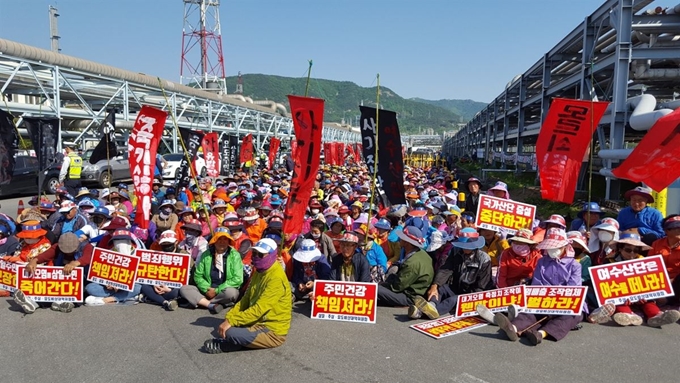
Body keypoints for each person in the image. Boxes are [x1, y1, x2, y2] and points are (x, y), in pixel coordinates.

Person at [494, 228, 583, 345]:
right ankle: (513, 328)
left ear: (565, 247)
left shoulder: (574, 265)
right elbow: (537, 283)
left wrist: (556, 298)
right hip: (543, 298)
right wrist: (544, 296)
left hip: (564, 302)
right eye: (550, 247)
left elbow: (573, 289)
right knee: (529, 312)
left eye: (556, 247)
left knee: (571, 316)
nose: (553, 250)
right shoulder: (542, 261)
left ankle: (541, 333)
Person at [202, 238, 291, 354]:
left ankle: (233, 344)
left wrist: (232, 321)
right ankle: (239, 339)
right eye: (254, 253)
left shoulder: (276, 278)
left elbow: (259, 309)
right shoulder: (260, 271)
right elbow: (246, 299)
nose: (256, 257)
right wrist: (231, 317)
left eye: (260, 254)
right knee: (228, 323)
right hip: (256, 321)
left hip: (272, 330)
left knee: (230, 332)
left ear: (271, 255)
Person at [590, 233, 680, 327]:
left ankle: (656, 316)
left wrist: (644, 294)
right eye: (628, 250)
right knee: (618, 301)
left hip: (640, 293)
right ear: (620, 249)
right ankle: (628, 315)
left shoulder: (645, 262)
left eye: (636, 250)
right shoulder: (608, 261)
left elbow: (649, 281)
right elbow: (606, 285)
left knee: (648, 301)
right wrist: (623, 295)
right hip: (621, 293)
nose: (632, 254)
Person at [413, 228, 491, 320]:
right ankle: (431, 304)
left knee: (452, 300)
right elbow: (446, 269)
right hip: (456, 287)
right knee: (440, 289)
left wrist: (471, 301)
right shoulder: (455, 251)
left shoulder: (484, 259)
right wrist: (435, 285)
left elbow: (481, 286)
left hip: (471, 293)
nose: (464, 248)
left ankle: (424, 313)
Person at [179, 227, 243, 314]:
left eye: (225, 239)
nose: (222, 242)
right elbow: (198, 276)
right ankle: (212, 305)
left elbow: (238, 279)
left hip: (223, 291)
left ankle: (203, 303)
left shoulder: (235, 255)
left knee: (232, 293)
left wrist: (216, 290)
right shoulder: (206, 254)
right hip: (207, 290)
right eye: (219, 239)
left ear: (228, 241)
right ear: (214, 240)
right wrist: (207, 290)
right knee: (185, 289)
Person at [378, 226, 434, 309]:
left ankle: (406, 305)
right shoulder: (421, 254)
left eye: (402, 238)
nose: (400, 239)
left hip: (411, 297)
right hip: (415, 290)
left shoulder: (412, 263)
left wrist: (384, 285)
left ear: (407, 242)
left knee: (375, 290)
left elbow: (397, 287)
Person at [84, 229, 143, 306]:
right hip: (110, 287)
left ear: (130, 242)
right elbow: (102, 273)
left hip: (128, 287)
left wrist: (123, 285)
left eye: (123, 240)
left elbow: (139, 276)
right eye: (117, 240)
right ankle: (124, 297)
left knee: (139, 287)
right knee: (90, 287)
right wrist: (106, 283)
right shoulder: (108, 253)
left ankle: (111, 299)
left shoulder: (138, 254)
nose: (120, 243)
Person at [650, 215, 680, 307]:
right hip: (658, 281)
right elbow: (649, 266)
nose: (679, 230)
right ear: (667, 230)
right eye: (676, 227)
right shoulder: (656, 244)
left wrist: (670, 281)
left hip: (676, 282)